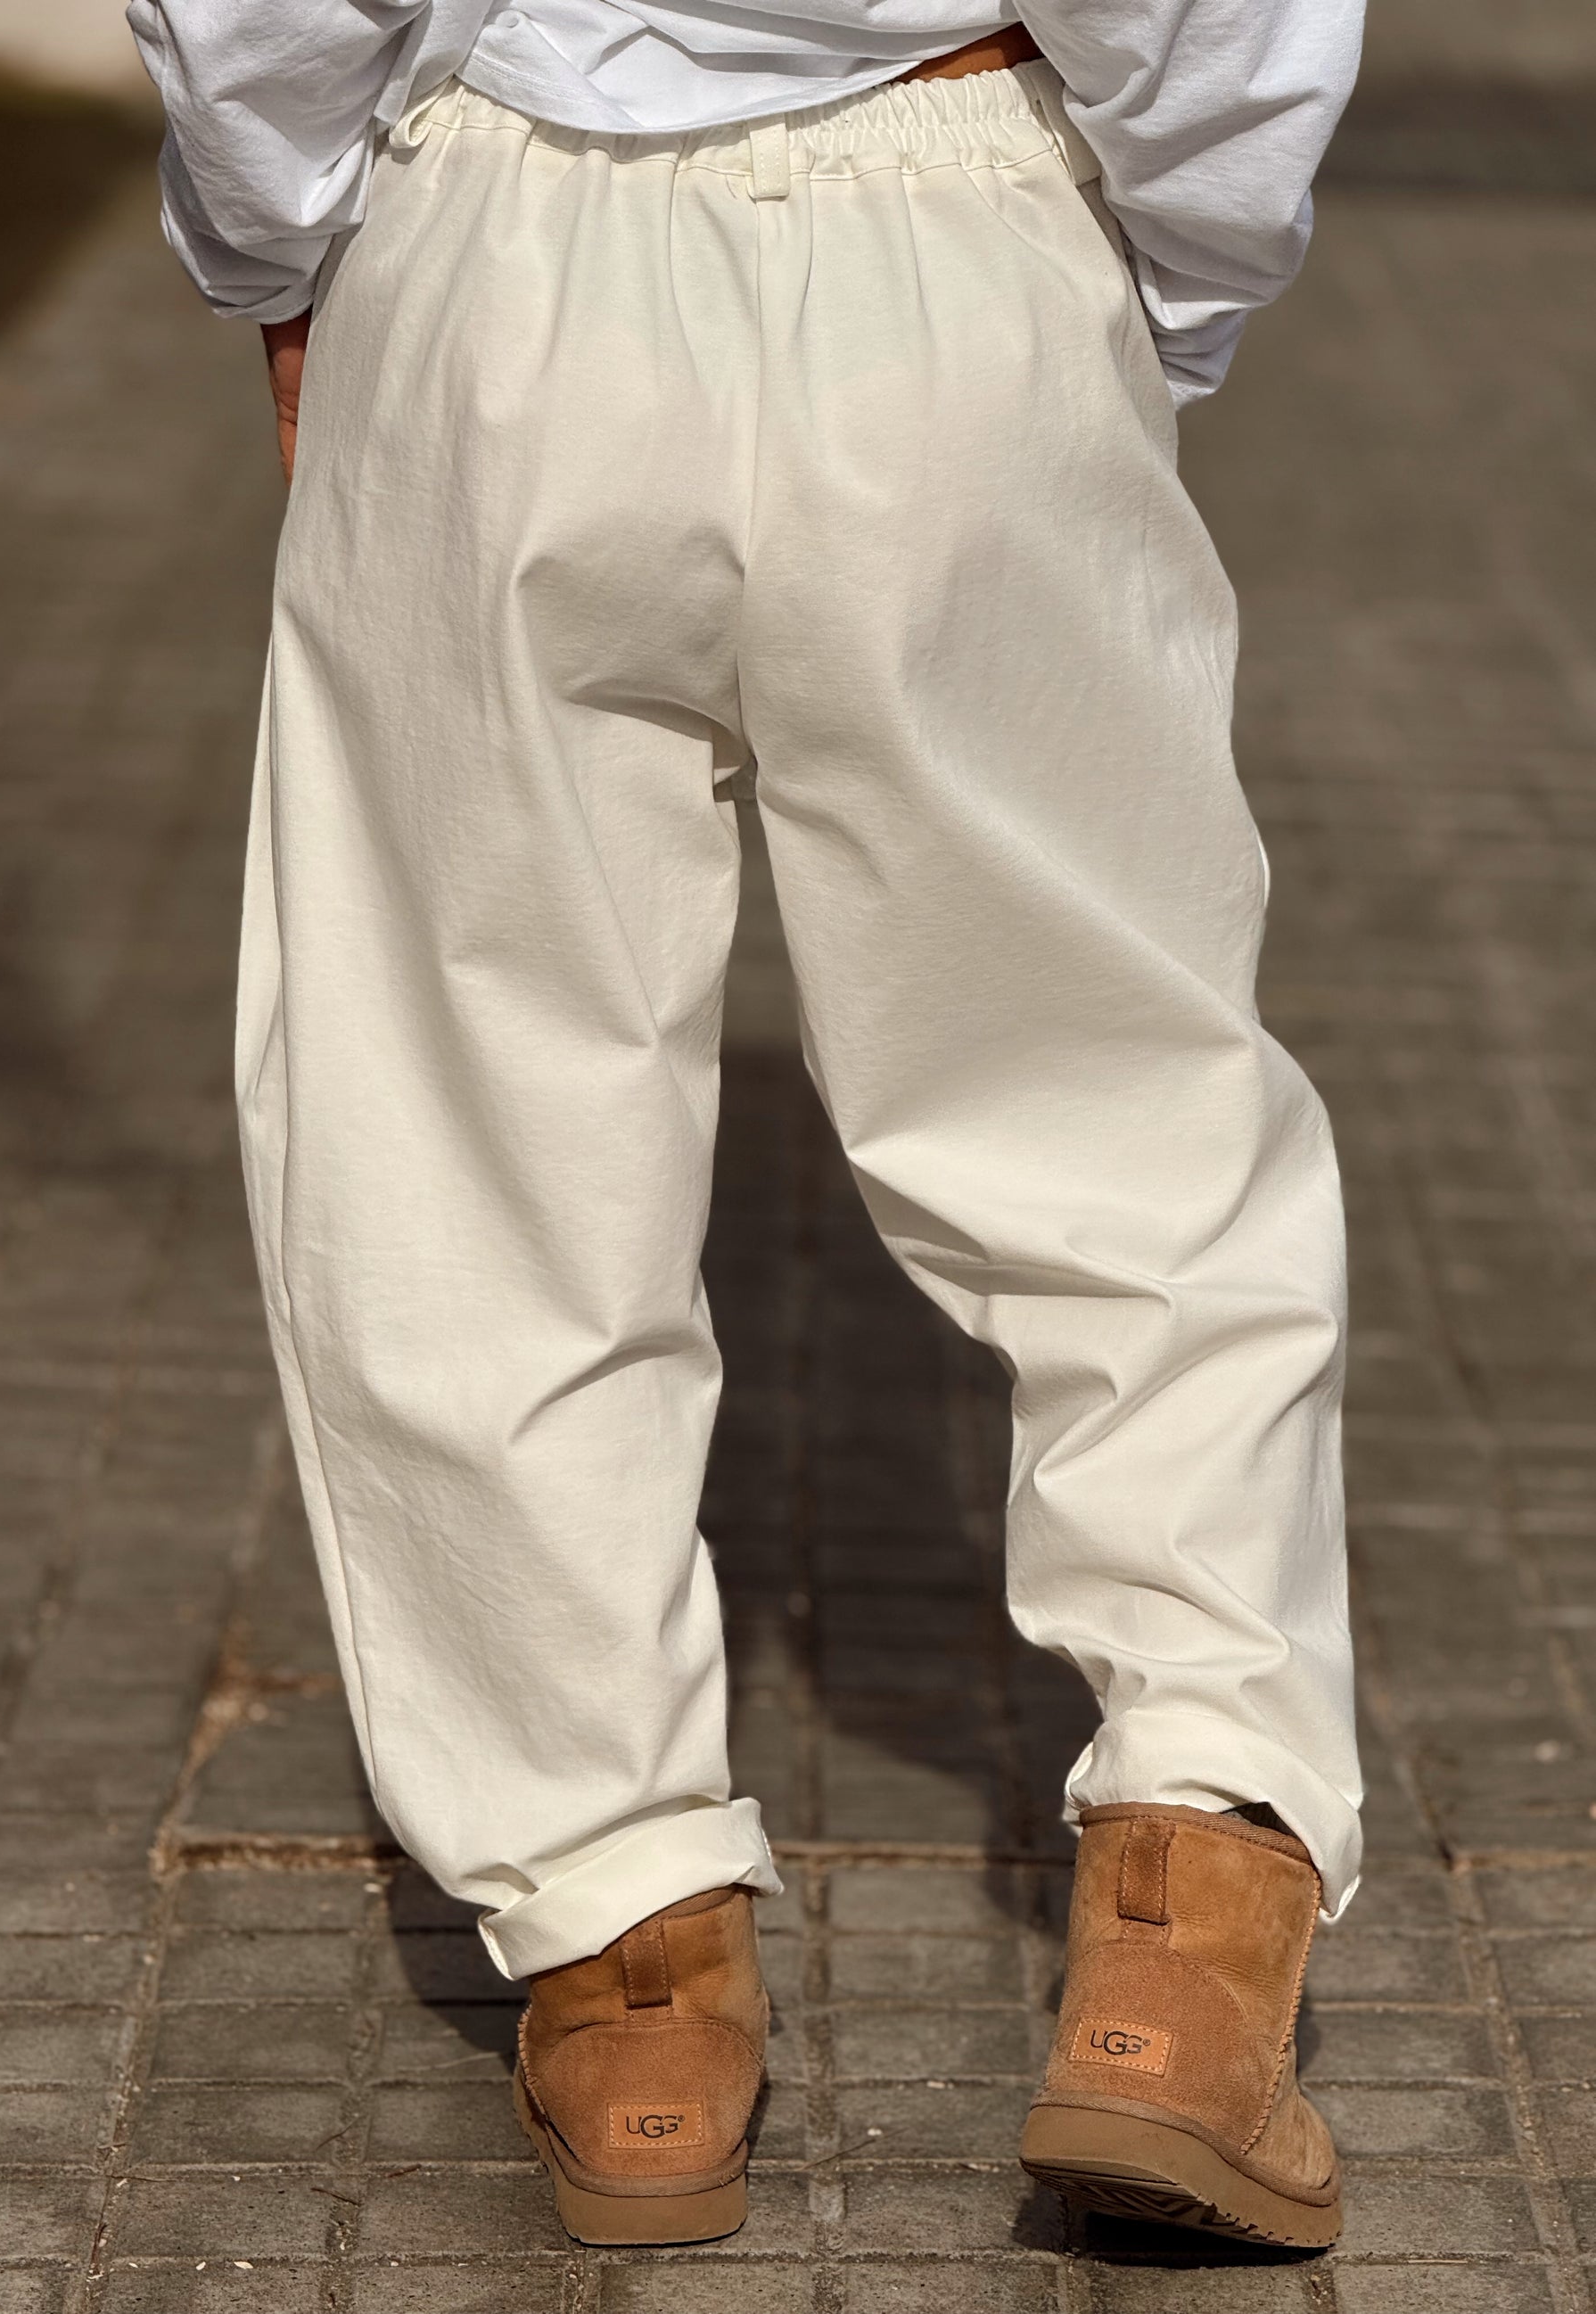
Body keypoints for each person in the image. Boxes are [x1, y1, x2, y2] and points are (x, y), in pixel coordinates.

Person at [129, 0, 1365, 2250]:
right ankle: (1188, 1928)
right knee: (1119, 1113)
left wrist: (278, 239)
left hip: (500, 250)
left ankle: (628, 1960)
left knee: (472, 1133)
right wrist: (1159, 292)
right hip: (965, 215)